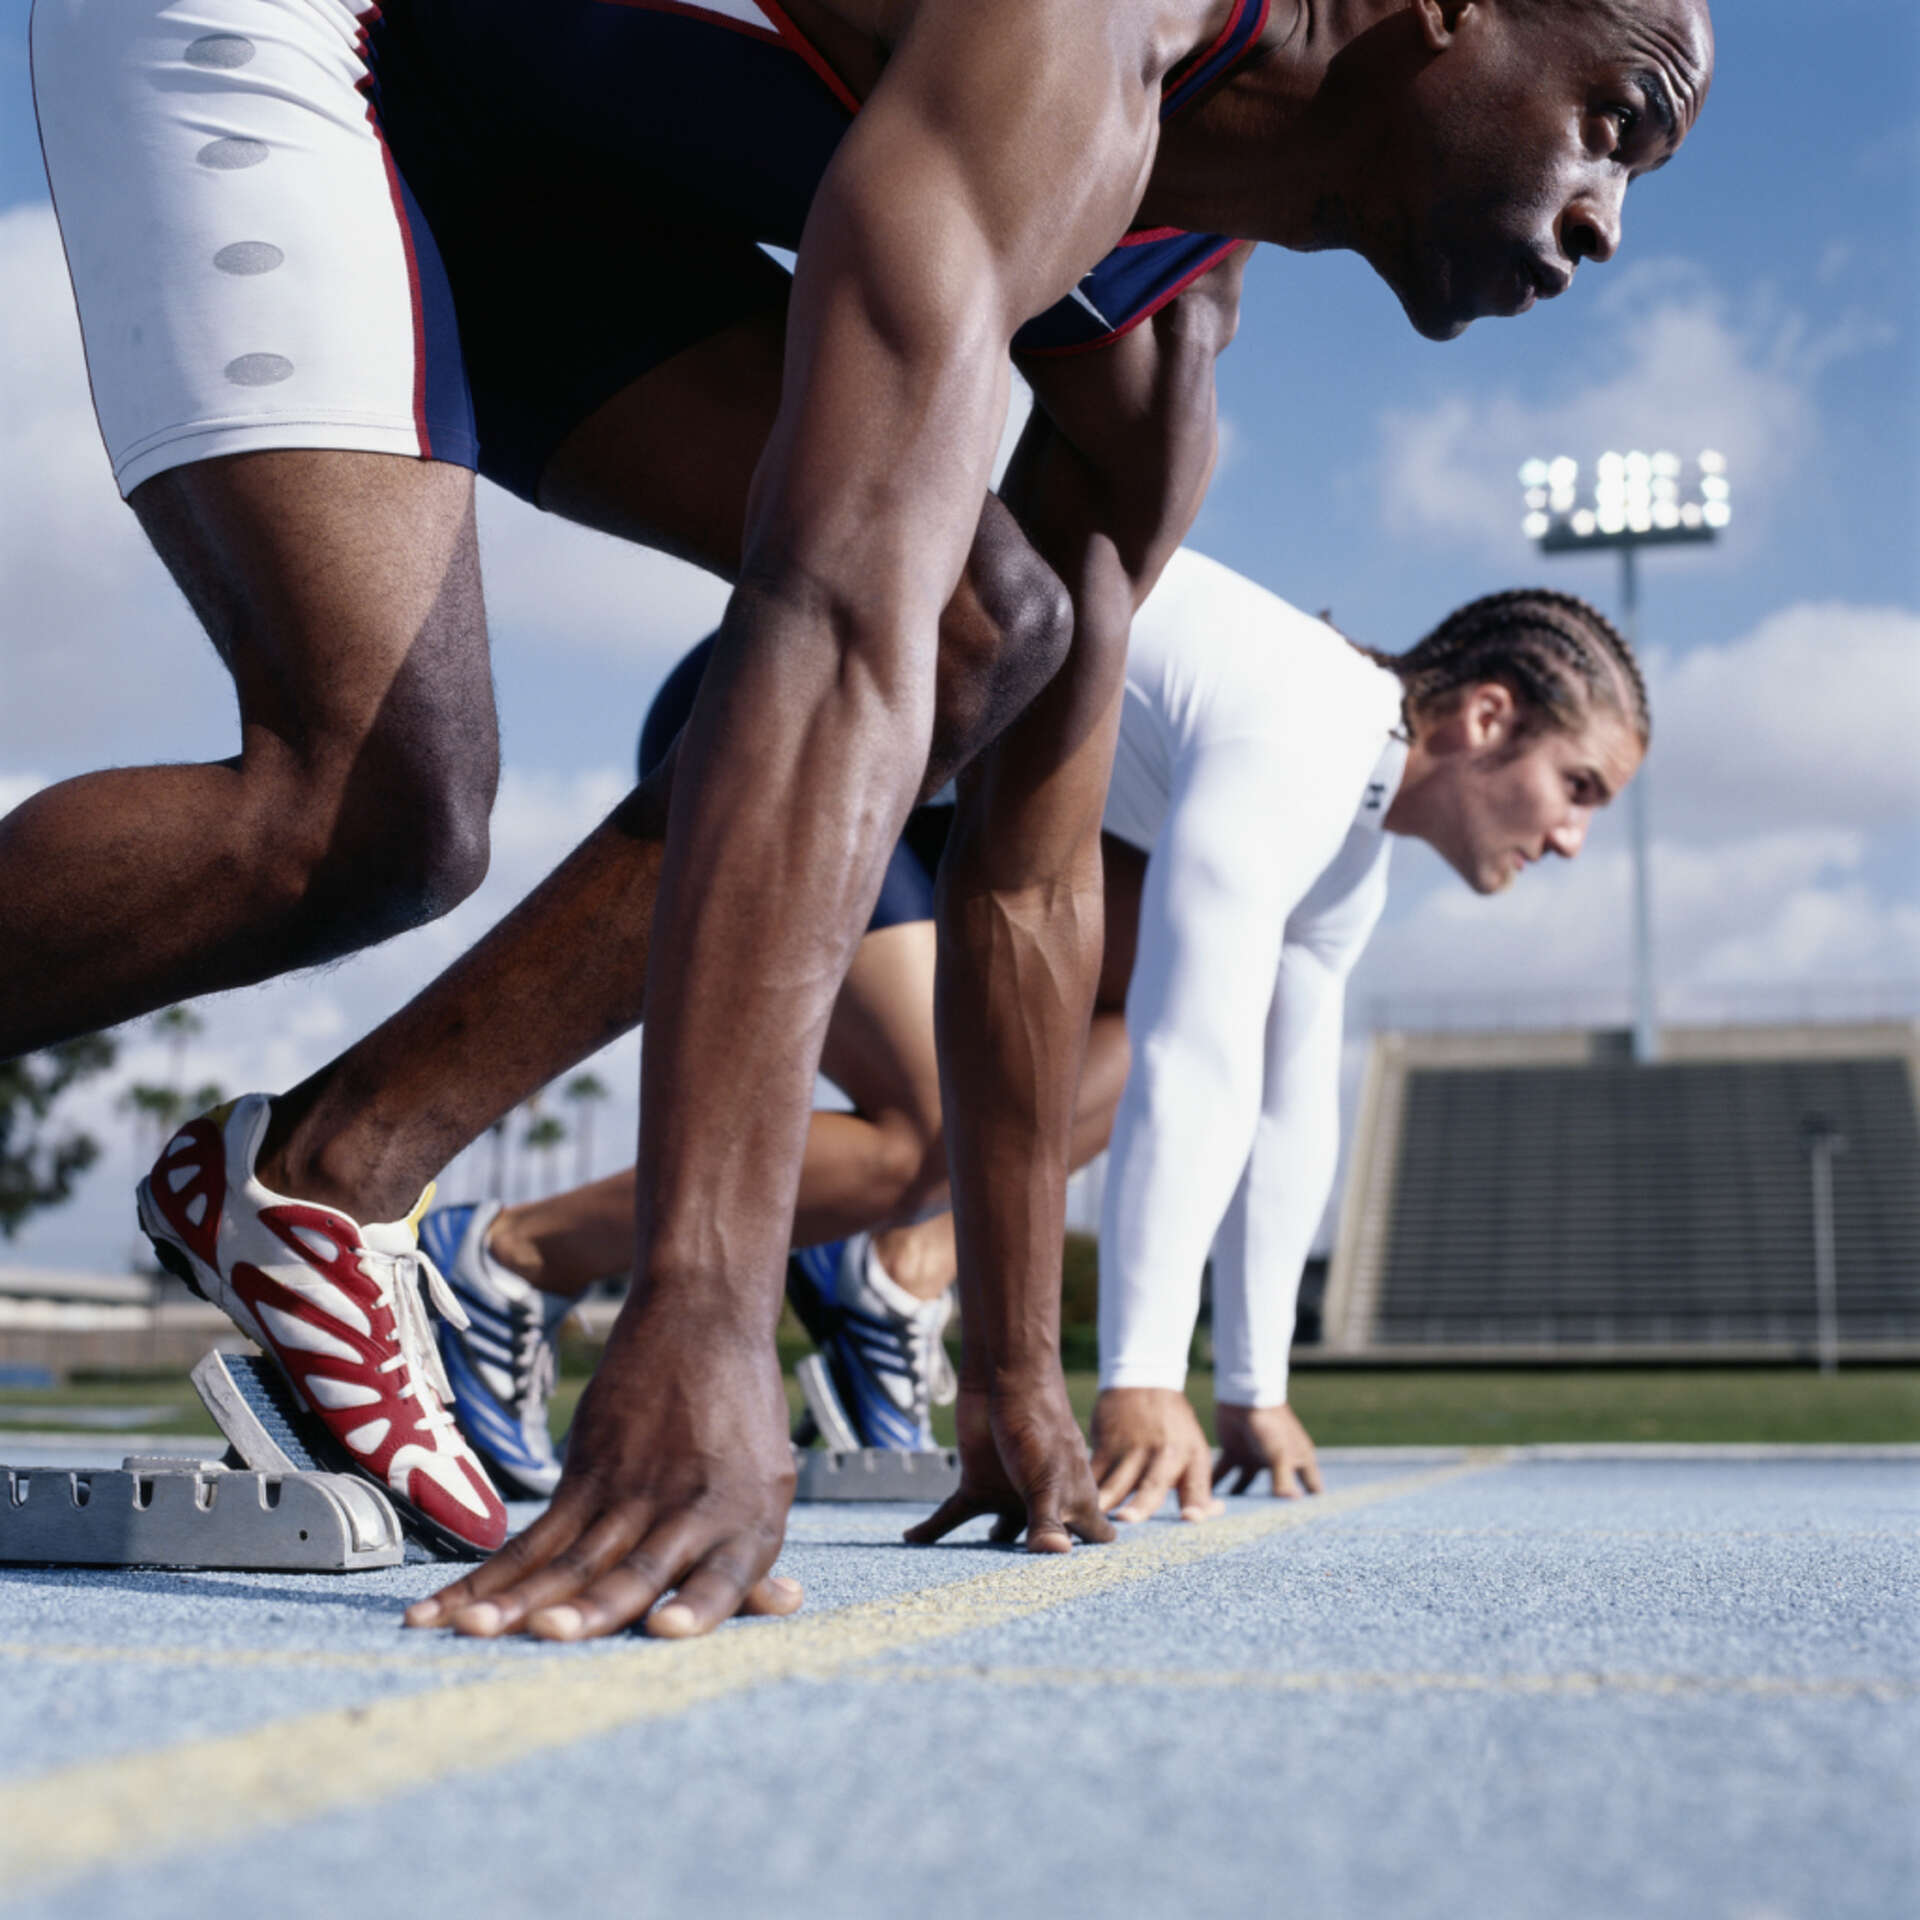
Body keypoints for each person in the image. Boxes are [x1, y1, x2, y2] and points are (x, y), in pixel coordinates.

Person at [24, 0, 1712, 1634]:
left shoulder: (1170, 338)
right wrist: (697, 1312)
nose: (1610, 225)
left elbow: (1029, 884)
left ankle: (321, 1179)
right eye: (1612, 127)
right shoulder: (1076, 34)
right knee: (362, 816)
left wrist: (1009, 1377)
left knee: (998, 632)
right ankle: (383, 1180)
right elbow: (829, 607)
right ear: (1450, 10)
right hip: (318, 27)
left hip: (520, 142)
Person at [419, 551, 1648, 1526]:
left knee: (1088, 1039)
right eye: (1579, 789)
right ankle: (507, 1255)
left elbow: (1284, 1109)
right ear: (1490, 718)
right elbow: (1195, 1052)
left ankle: (894, 1273)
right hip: (796, 709)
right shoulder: (1310, 732)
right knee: (947, 1118)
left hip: (940, 804)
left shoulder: (1349, 863)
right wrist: (1142, 1378)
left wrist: (1250, 1392)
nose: (1575, 840)